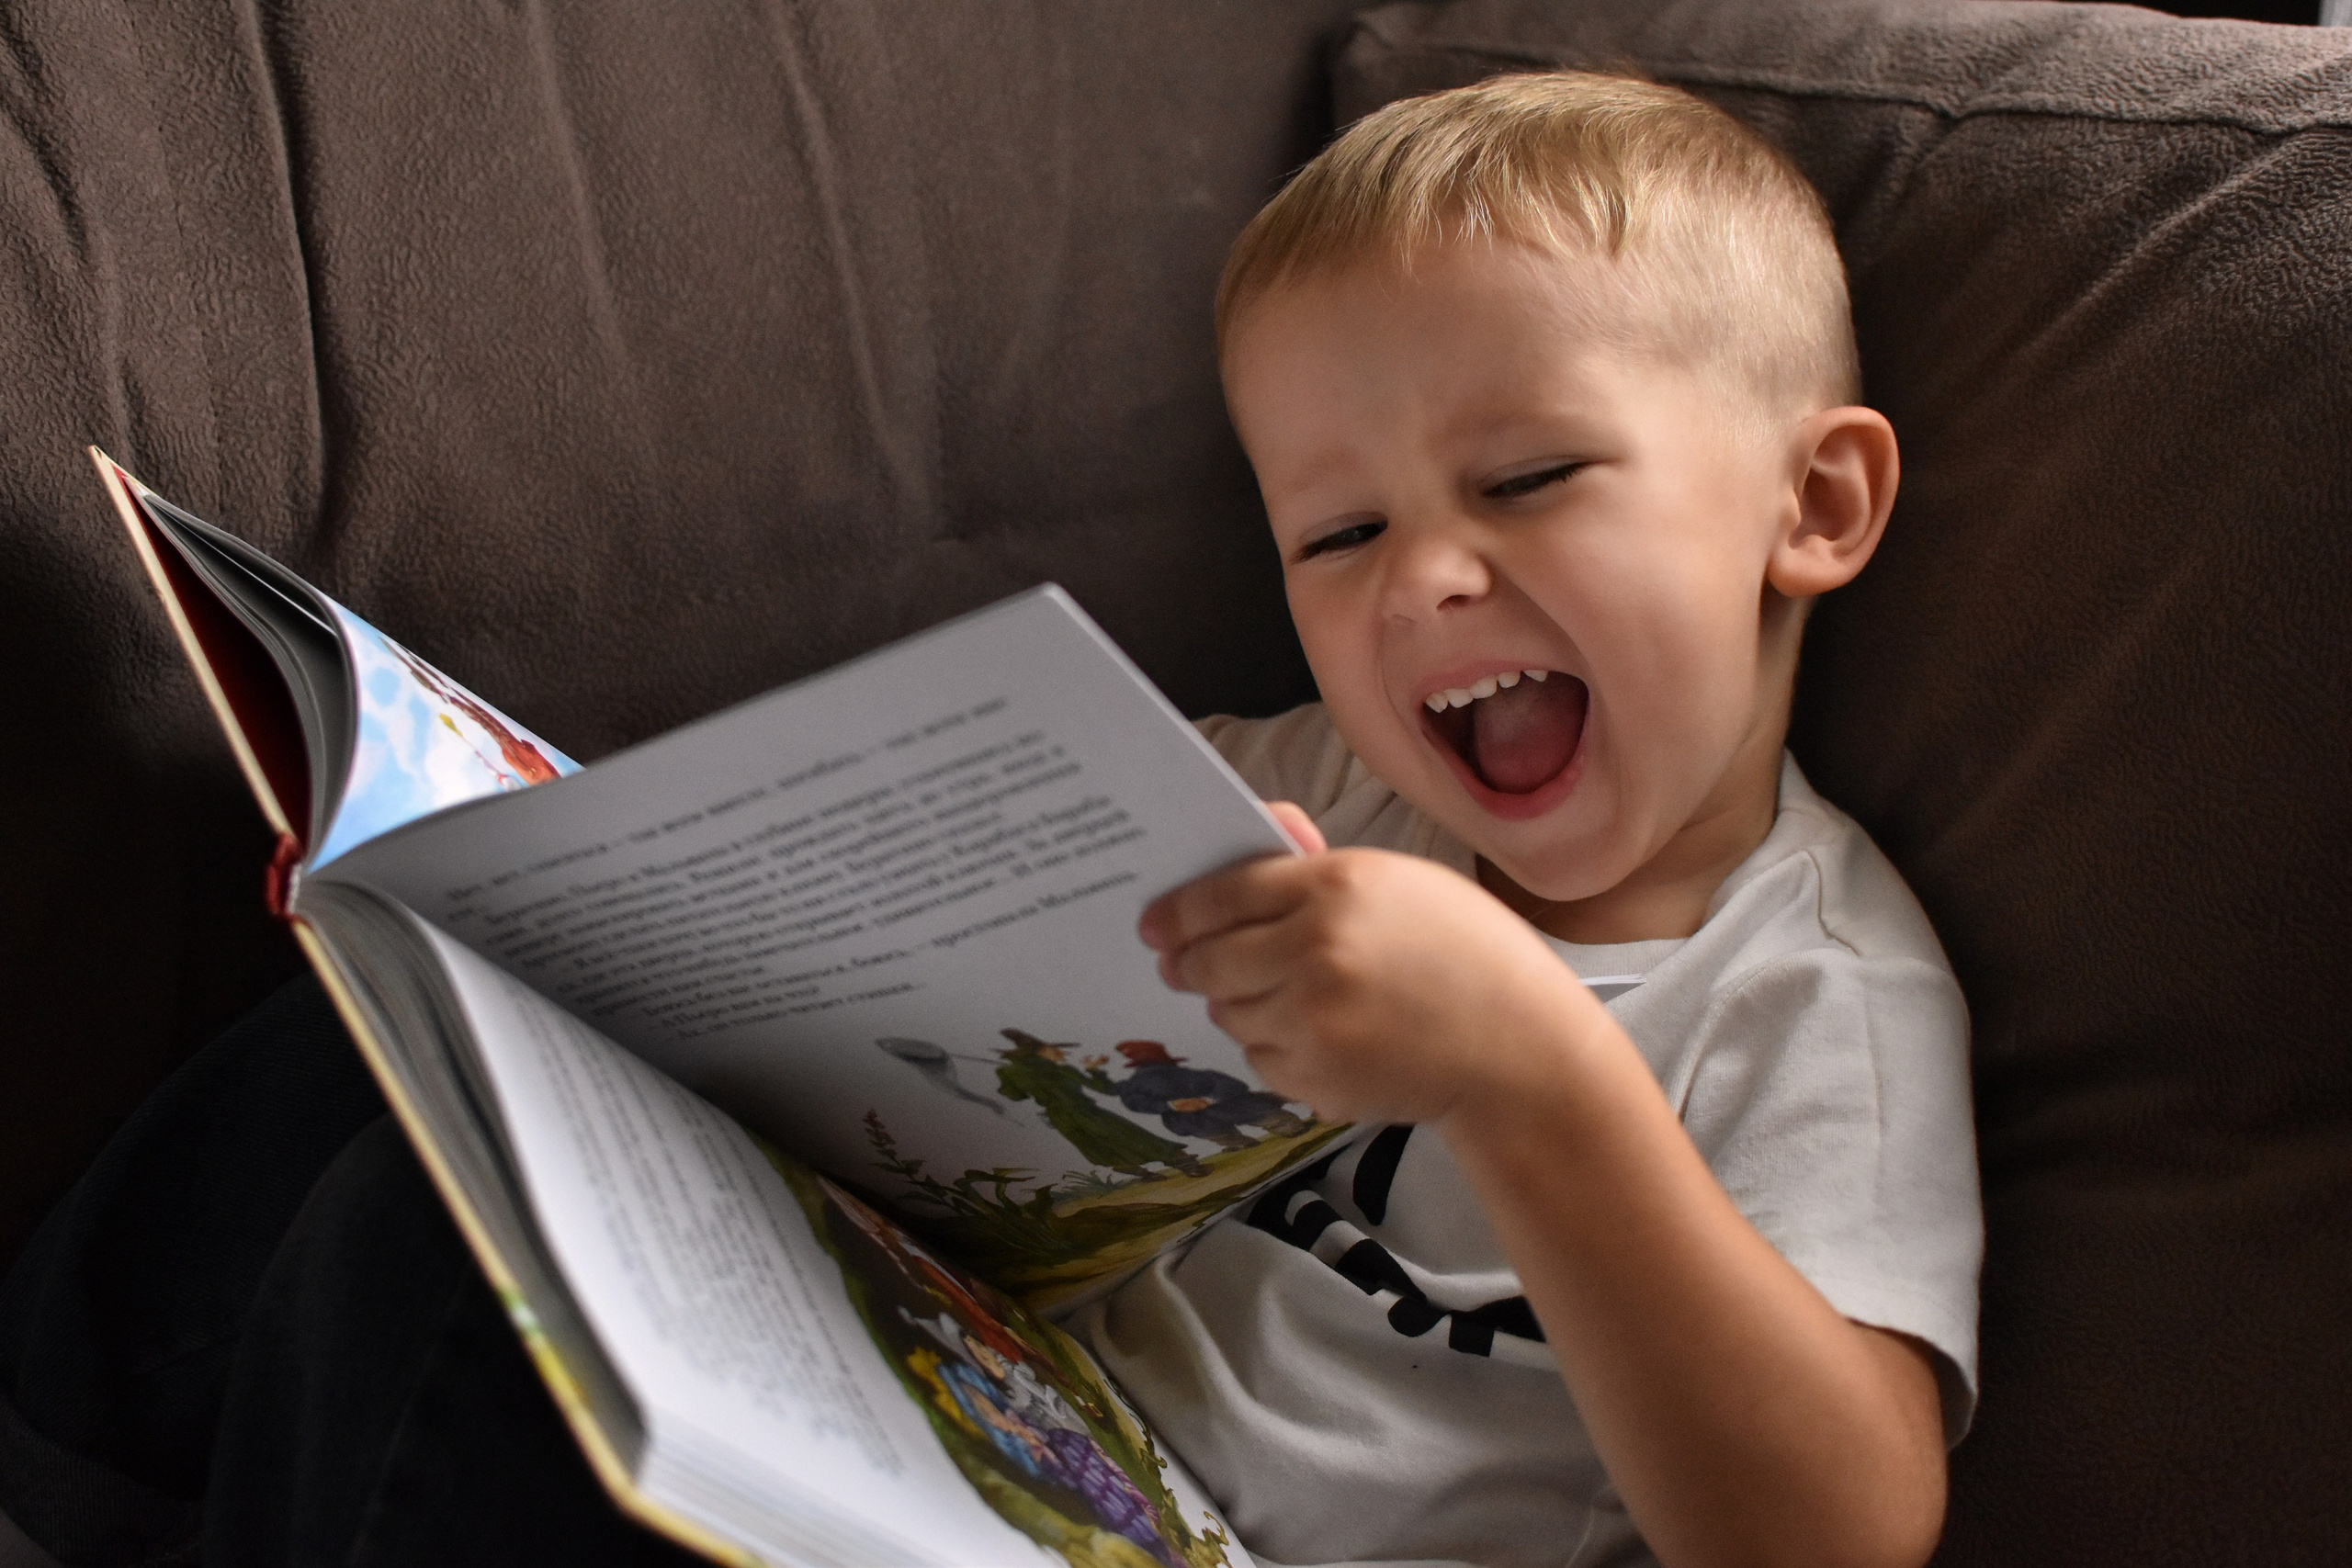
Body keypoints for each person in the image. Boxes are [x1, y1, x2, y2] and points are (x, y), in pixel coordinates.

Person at [1071, 72, 1981, 1568]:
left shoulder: (1816, 998)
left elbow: (1839, 1535)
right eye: (1340, 532)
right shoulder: (1339, 786)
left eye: (1529, 477)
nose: (1421, 576)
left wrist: (1526, 1071)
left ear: (1813, 503)